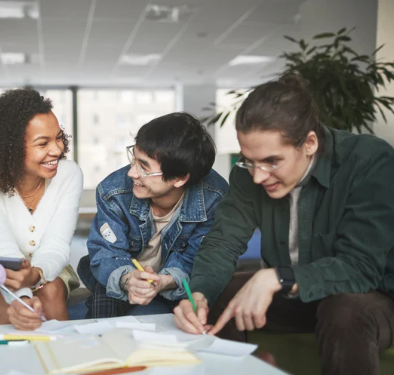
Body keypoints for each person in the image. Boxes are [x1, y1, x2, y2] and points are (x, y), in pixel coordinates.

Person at [173, 74, 394, 375]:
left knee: (343, 310)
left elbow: (361, 267)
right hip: (297, 296)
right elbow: (222, 242)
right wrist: (198, 295)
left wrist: (277, 277)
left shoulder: (368, 162)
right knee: (218, 292)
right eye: (249, 160)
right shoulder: (246, 175)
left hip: (373, 297)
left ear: (310, 144)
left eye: (272, 161)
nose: (258, 176)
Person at [0, 89, 82, 331]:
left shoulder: (69, 174)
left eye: (58, 137)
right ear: (10, 148)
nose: (57, 150)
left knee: (51, 290)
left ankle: (63, 364)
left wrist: (36, 275)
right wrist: (22, 297)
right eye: (42, 143)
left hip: (48, 263)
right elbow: (1, 246)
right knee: (5, 298)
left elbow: (56, 244)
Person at [78, 112, 228, 318]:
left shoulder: (214, 196)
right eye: (134, 159)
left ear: (179, 178)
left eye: (144, 168)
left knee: (197, 308)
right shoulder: (113, 190)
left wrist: (164, 282)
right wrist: (128, 279)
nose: (132, 173)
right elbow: (107, 252)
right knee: (104, 298)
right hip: (124, 268)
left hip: (177, 276)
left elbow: (198, 259)